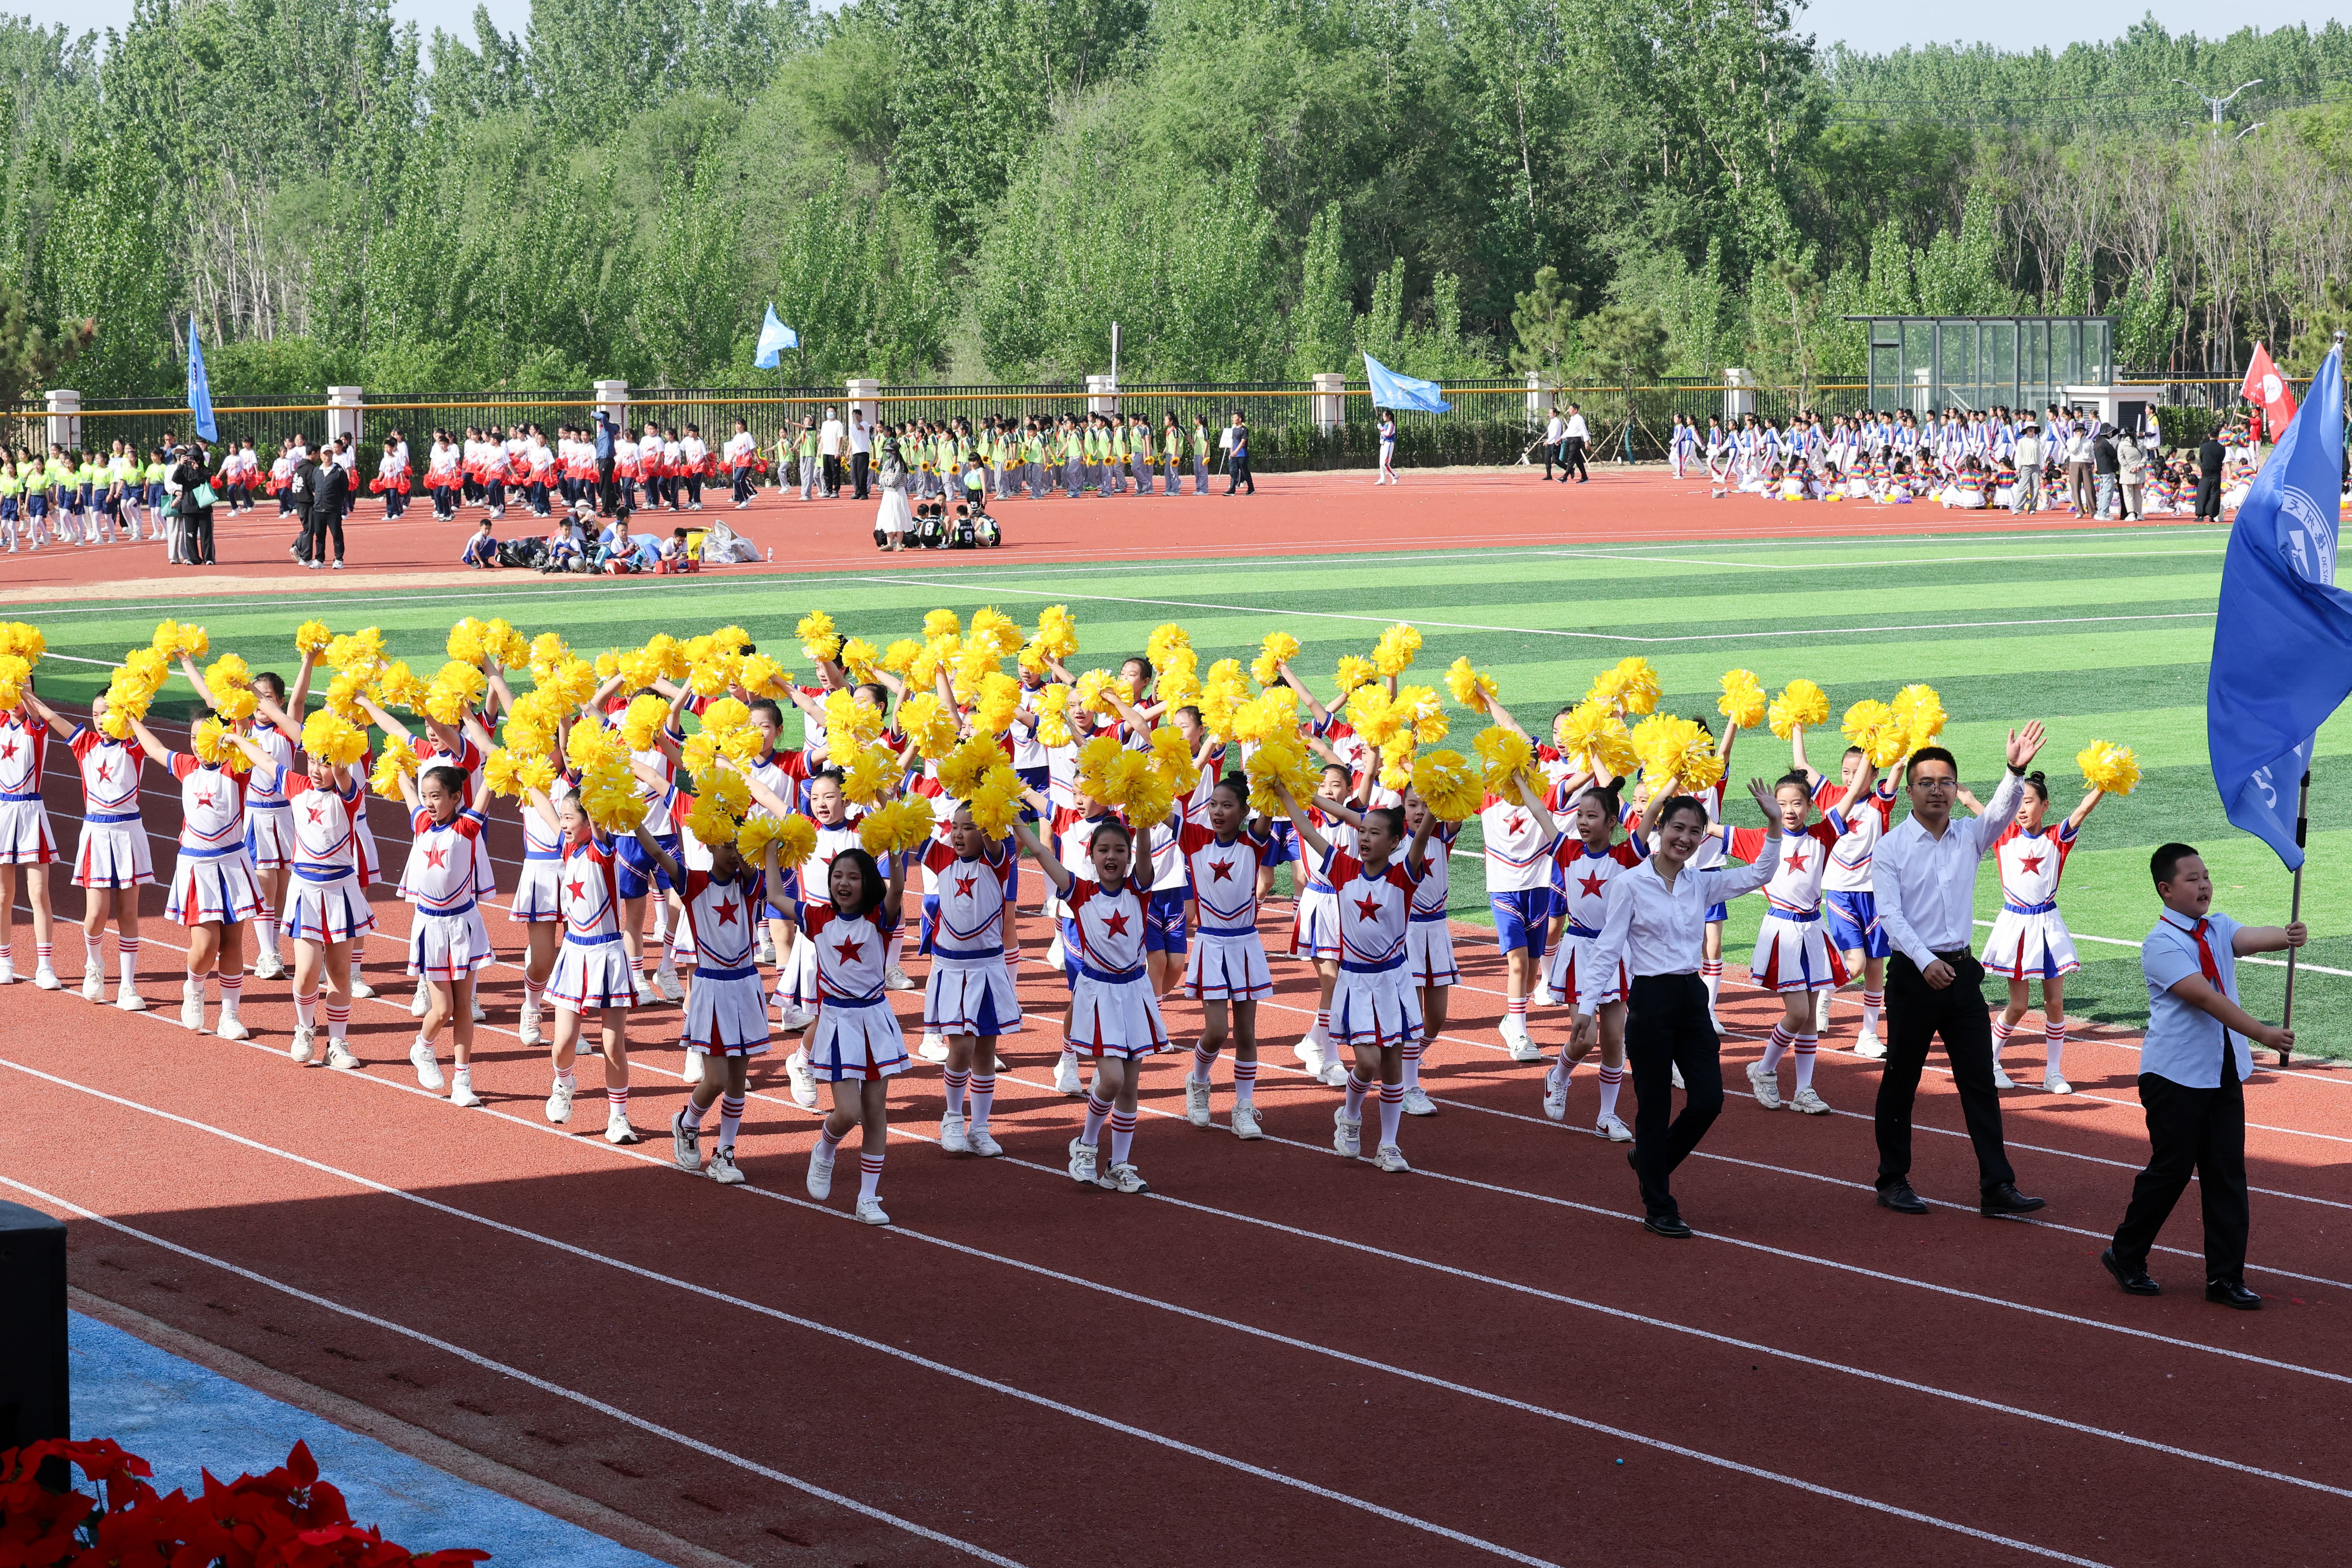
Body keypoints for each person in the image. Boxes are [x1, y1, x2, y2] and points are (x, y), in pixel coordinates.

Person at [1576, 779, 1783, 1237]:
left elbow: (1760, 873)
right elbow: (1607, 949)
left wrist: (1773, 824)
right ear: (1660, 828)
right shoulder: (1629, 884)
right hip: (1650, 1002)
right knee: (1654, 1105)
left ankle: (1651, 1160)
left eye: (1694, 832)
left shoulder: (1700, 884)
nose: (1685, 838)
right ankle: (1659, 1205)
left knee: (1709, 1100)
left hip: (1692, 999)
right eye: (1678, 828)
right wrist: (1586, 1007)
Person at [2102, 844, 2305, 1309]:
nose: (2204, 885)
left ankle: (2225, 1277)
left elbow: (2249, 938)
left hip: (2221, 1071)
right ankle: (2126, 1253)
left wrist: (2287, 935)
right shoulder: (2161, 943)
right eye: (2192, 879)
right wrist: (2263, 1033)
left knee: (2226, 1173)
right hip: (2175, 1076)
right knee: (2171, 1171)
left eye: (2206, 876)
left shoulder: (2216, 927)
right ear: (2166, 889)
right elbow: (2205, 998)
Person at [1868, 726, 2050, 1219]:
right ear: (1909, 790)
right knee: (1901, 1079)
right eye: (1926, 782)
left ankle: (1997, 1185)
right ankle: (1892, 1179)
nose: (1936, 790)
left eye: (1945, 782)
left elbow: (2001, 811)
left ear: (1955, 788)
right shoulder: (1890, 847)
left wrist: (2014, 770)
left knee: (1979, 1081)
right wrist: (1924, 961)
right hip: (1913, 976)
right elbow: (1890, 915)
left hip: (1963, 975)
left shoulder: (1969, 835)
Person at [1276, 780, 1442, 1174]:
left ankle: (1388, 1144)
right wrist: (1286, 795)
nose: (1365, 838)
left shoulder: (1404, 875)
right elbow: (1307, 830)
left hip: (1393, 981)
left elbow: (1422, 836)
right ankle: (1350, 1115)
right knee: (1367, 1063)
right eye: (1362, 831)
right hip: (1356, 980)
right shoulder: (1343, 867)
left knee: (1393, 1065)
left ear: (1394, 842)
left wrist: (1438, 803)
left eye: (1375, 833)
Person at [1015, 811, 1163, 1193]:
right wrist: (1016, 822)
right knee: (1112, 1079)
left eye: (1119, 850)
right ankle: (1085, 1144)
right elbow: (1041, 852)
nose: (1111, 856)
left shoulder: (1138, 890)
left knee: (1129, 1086)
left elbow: (1145, 852)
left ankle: (1120, 1164)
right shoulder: (1079, 891)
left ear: (1129, 856)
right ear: (1091, 856)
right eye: (1103, 850)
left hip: (1134, 992)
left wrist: (1142, 817)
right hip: (1098, 994)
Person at [524, 780, 644, 1142]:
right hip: (575, 954)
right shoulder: (568, 847)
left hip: (608, 955)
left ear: (590, 819)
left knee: (613, 1046)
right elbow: (546, 811)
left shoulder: (602, 850)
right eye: (562, 817)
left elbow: (598, 822)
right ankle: (564, 1083)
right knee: (562, 1043)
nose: (563, 823)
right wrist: (526, 776)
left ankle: (618, 1117)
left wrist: (596, 776)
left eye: (570, 817)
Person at [1981, 771, 2107, 1094]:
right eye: (2017, 804)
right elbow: (1969, 800)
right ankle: (1989, 1062)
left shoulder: (2057, 837)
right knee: (2019, 1005)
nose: (2021, 809)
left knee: (2055, 1002)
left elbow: (2082, 809)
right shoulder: (2002, 833)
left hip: (2048, 925)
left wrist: (2104, 784)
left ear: (2045, 805)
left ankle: (2053, 1073)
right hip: (2015, 926)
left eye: (2027, 802)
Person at [802, 845, 909, 1225]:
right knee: (849, 1112)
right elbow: (776, 896)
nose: (843, 883)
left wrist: (896, 853)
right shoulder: (816, 917)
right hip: (837, 1023)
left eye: (853, 876)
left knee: (876, 1111)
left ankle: (868, 1197)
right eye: (837, 876)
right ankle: (824, 1149)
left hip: (874, 1020)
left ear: (867, 882)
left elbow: (898, 889)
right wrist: (769, 850)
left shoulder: (878, 917)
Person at [1177, 776, 1276, 1138]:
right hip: (1211, 944)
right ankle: (1198, 1081)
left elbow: (1268, 810)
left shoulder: (1252, 842)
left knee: (1246, 1033)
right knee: (1218, 1031)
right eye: (1213, 804)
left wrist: (1275, 779)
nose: (1217, 811)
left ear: (1244, 811)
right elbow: (1157, 811)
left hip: (1245, 944)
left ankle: (1243, 1107)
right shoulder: (1194, 838)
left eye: (1227, 805)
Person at [920, 803, 1020, 1159]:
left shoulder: (997, 862)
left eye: (969, 827)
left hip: (987, 969)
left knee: (985, 1052)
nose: (959, 834)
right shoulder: (942, 857)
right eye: (955, 827)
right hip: (952, 970)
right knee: (960, 1047)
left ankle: (979, 1127)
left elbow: (994, 836)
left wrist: (987, 797)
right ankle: (952, 1117)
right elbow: (908, 832)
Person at [392, 763, 494, 1106]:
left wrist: (503, 764)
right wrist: (397, 766)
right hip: (432, 927)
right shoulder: (422, 822)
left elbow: (488, 786)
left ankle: (462, 1079)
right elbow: (408, 792)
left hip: (463, 925)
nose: (429, 803)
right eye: (426, 796)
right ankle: (423, 1047)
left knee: (463, 1007)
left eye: (436, 796)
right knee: (443, 1008)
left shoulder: (467, 827)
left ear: (455, 797)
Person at [0, 678, 59, 988]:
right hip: (2, 813)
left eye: (21, 692)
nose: (14, 699)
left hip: (30, 812)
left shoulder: (36, 725)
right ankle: (4, 961)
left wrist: (22, 683)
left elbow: (36, 713)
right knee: (3, 895)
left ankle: (45, 966)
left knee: (38, 892)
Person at [2195, 427, 2227, 522]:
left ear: (2209, 435)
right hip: (2216, 474)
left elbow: (2202, 459)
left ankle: (2200, 515)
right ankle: (2212, 516)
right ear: (2218, 436)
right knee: (2215, 495)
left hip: (2206, 474)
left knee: (2202, 494)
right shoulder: (2222, 448)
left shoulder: (2204, 447)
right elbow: (2222, 459)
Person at [1224, 411, 1253, 496]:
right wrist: (1231, 452)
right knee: (1233, 472)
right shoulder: (1234, 430)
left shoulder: (1244, 430)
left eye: (1235, 417)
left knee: (1245, 472)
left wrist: (1236, 451)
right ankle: (1232, 490)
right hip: (1234, 455)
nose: (1233, 419)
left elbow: (1243, 442)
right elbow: (1233, 442)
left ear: (1240, 419)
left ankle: (1251, 488)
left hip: (1242, 455)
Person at [819, 406, 845, 498]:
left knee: (835, 473)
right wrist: (820, 449)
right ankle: (828, 490)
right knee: (827, 472)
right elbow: (822, 438)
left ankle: (836, 490)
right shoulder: (825, 424)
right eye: (828, 411)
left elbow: (840, 439)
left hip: (834, 452)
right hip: (826, 452)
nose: (830, 413)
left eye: (832, 411)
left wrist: (838, 452)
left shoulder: (838, 424)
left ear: (835, 413)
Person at [1560, 404, 1590, 482]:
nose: (1569, 411)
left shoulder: (1579, 419)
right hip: (1571, 441)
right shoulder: (1572, 420)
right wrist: (1561, 438)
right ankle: (1585, 477)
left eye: (1571, 409)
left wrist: (1586, 442)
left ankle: (1565, 478)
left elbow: (1584, 430)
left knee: (1571, 459)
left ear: (1576, 410)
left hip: (1576, 441)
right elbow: (1570, 431)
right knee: (1578, 461)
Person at [849, 406, 872, 501]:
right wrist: (849, 452)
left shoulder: (865, 424)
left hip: (863, 452)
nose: (855, 418)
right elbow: (852, 440)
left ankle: (864, 493)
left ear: (860, 416)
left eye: (856, 416)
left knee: (862, 474)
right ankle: (858, 491)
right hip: (855, 453)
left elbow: (860, 428)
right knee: (855, 475)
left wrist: (856, 419)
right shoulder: (853, 427)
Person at [1541, 407, 1568, 480]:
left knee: (1556, 460)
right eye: (1549, 413)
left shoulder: (1557, 422)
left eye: (1551, 413)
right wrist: (1548, 441)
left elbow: (1555, 433)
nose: (1549, 414)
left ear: (1555, 414)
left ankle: (1569, 469)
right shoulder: (1552, 422)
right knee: (1547, 460)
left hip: (1555, 443)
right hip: (1550, 443)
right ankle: (1549, 475)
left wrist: (1548, 441)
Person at [1375, 411, 1398, 484]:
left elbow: (1388, 434)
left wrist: (1381, 429)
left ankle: (1395, 476)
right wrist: (1381, 439)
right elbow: (1383, 434)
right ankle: (1383, 479)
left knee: (1385, 463)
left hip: (1389, 444)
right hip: (1384, 444)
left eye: (1385, 416)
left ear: (1389, 416)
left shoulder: (1391, 425)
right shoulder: (1386, 425)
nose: (1383, 418)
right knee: (1381, 463)